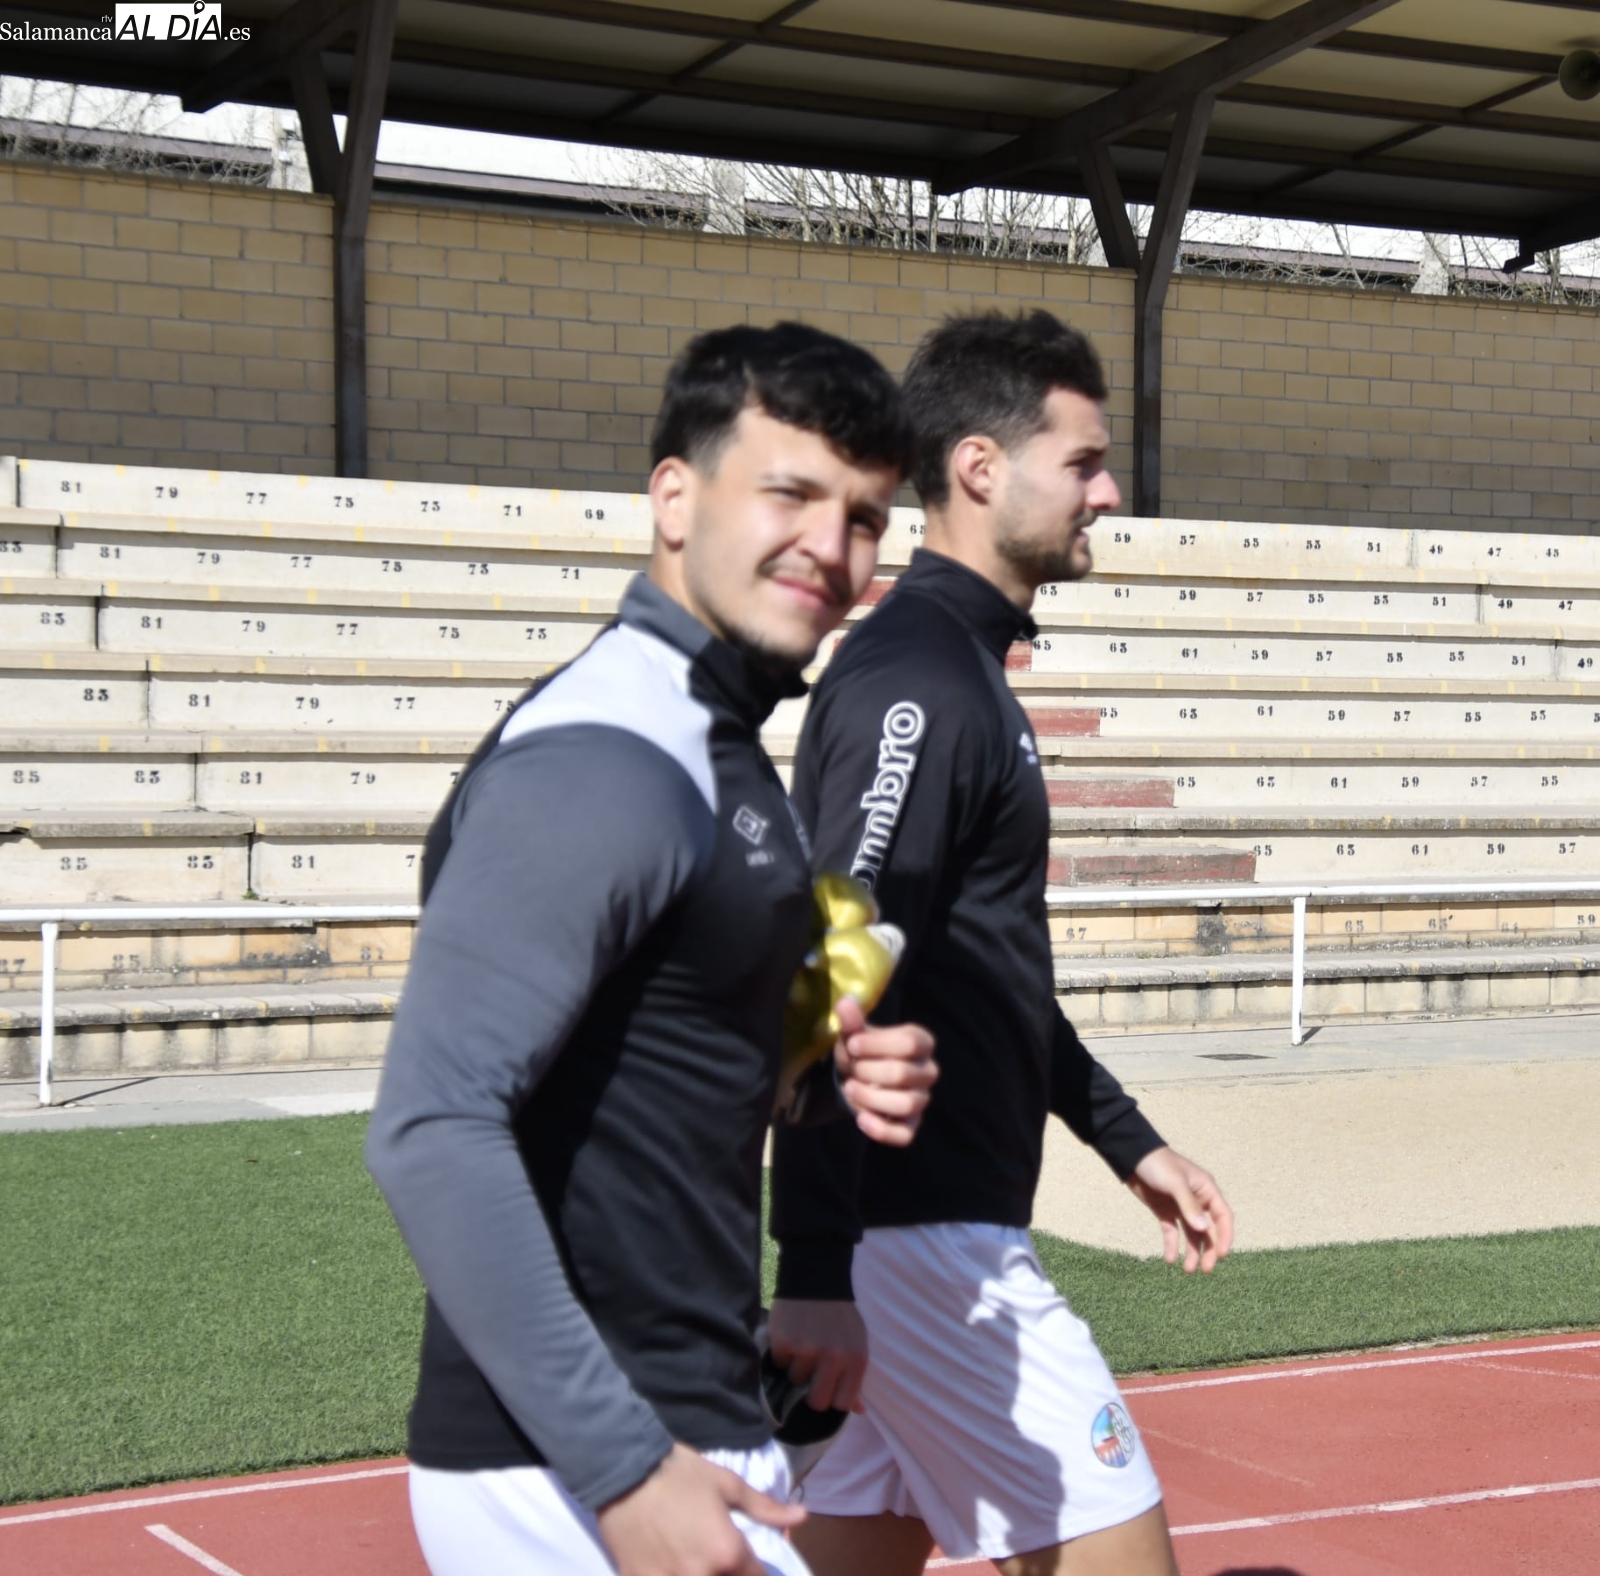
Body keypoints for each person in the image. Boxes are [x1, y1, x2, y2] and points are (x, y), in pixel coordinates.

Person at [366, 321, 938, 1576]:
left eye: (863, 516)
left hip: (676, 1423)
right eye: (790, 494)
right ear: (673, 498)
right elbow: (431, 1123)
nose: (832, 546)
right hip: (576, 1465)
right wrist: (621, 1464)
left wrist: (816, 1071)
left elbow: (656, 1064)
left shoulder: (713, 739)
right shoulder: (605, 755)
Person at [768, 310, 1234, 1576]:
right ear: (978, 467)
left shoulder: (958, 672)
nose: (1108, 492)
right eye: (1082, 462)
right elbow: (828, 970)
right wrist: (814, 1264)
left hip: (912, 1239)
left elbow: (980, 971)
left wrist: (1125, 1138)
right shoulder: (919, 683)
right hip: (927, 1252)